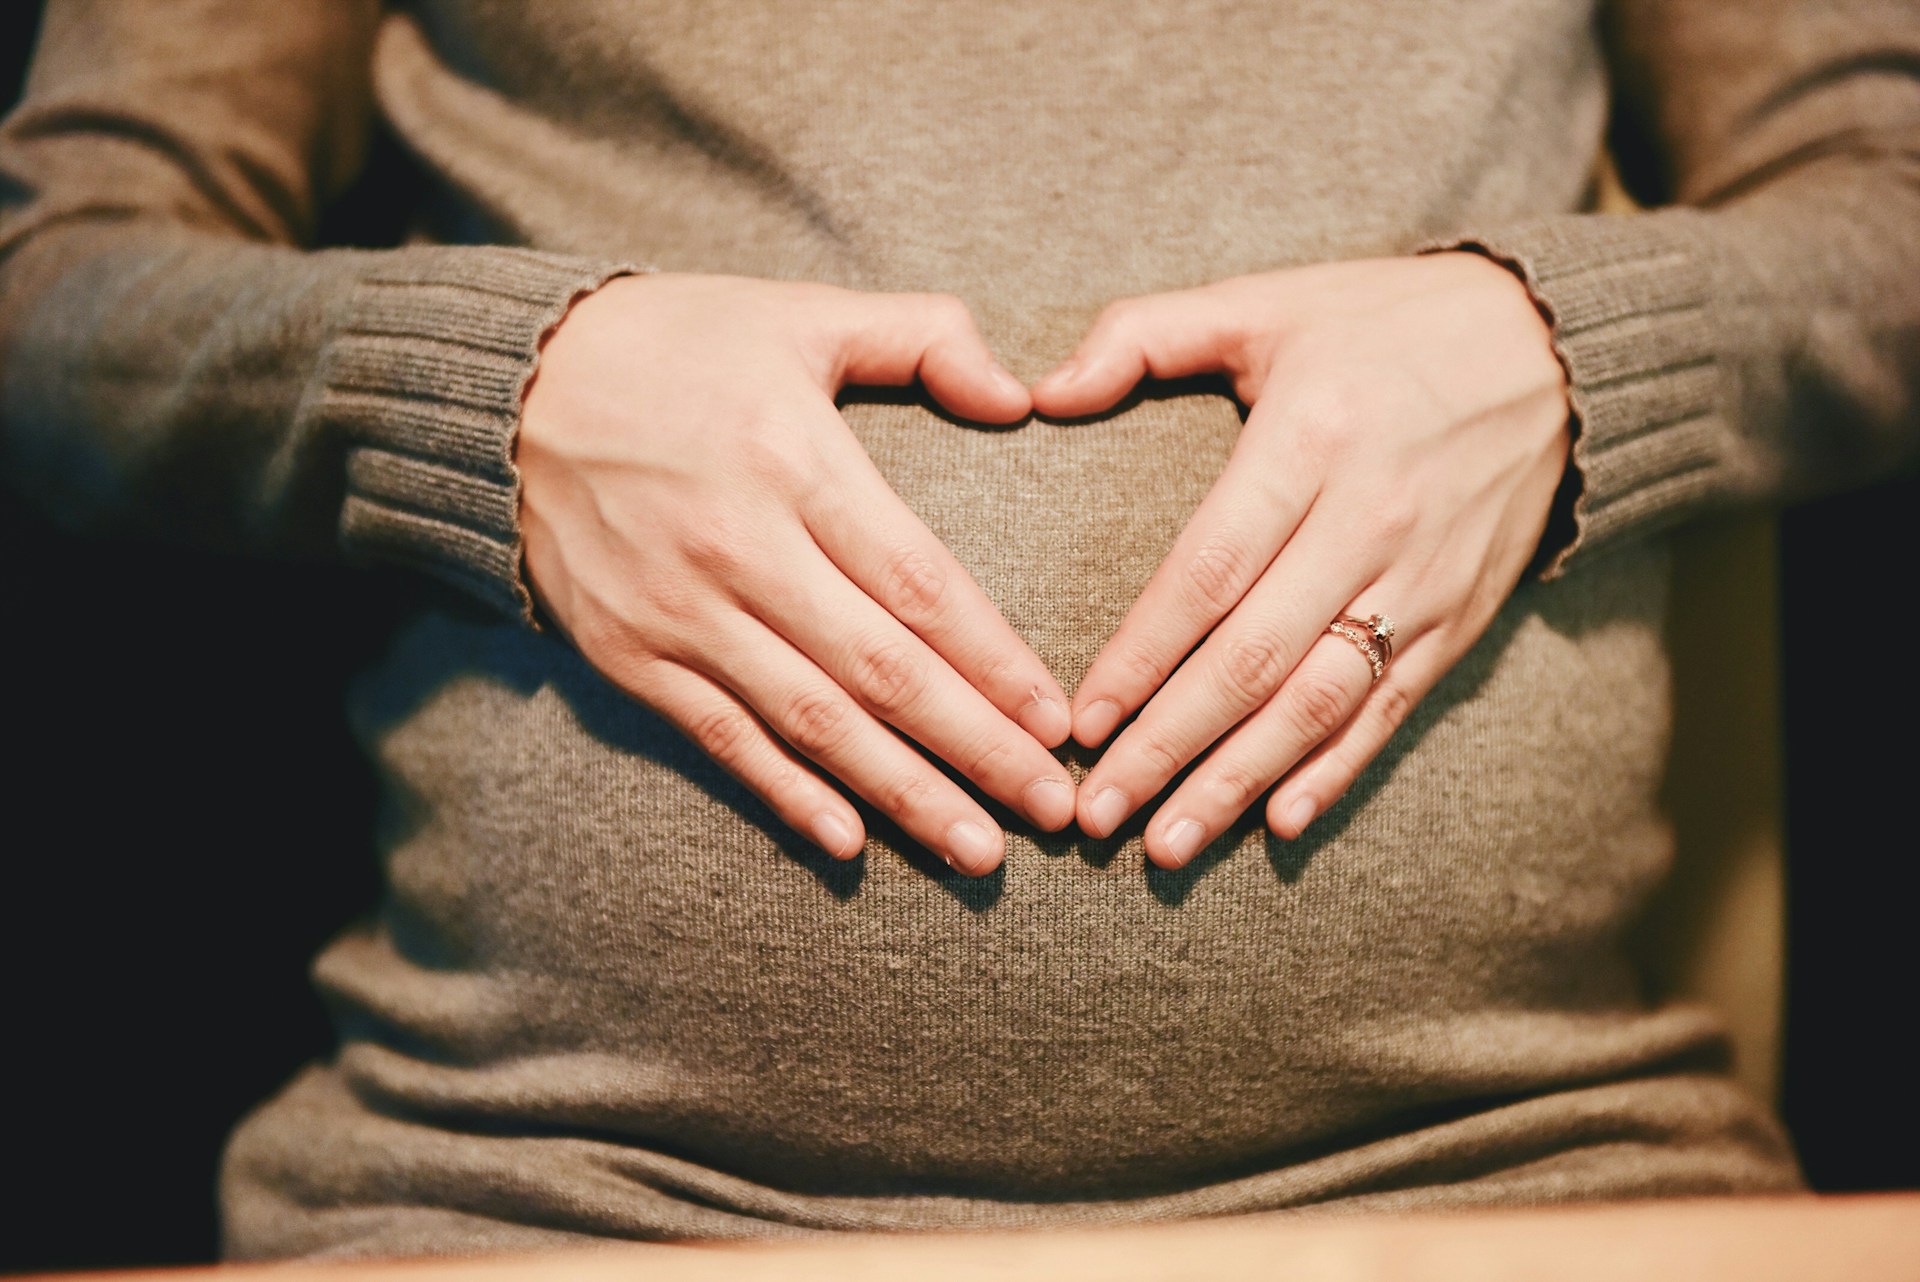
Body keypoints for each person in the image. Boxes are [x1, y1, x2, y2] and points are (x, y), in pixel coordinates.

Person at [1, 0, 1913, 1261]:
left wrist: (1569, 352)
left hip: (1511, 1186)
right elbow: (54, 294)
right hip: (543, 1202)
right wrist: (483, 390)